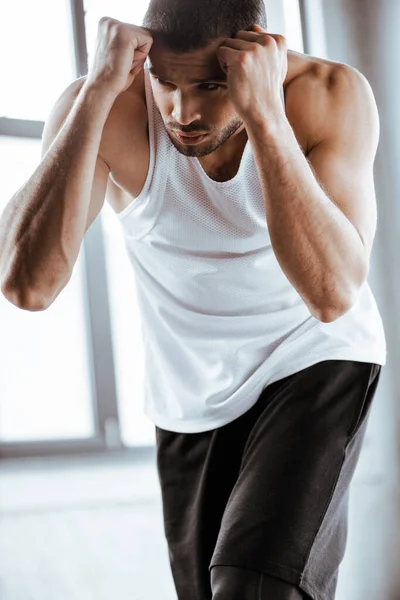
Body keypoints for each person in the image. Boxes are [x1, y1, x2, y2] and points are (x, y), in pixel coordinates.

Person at [0, 0, 387, 598]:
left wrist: (264, 113)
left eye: (210, 84)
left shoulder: (325, 93)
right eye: (166, 83)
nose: (184, 112)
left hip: (313, 357)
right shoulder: (109, 103)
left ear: (256, 56)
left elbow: (334, 294)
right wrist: (98, 90)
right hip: (188, 393)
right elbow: (28, 285)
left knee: (254, 585)